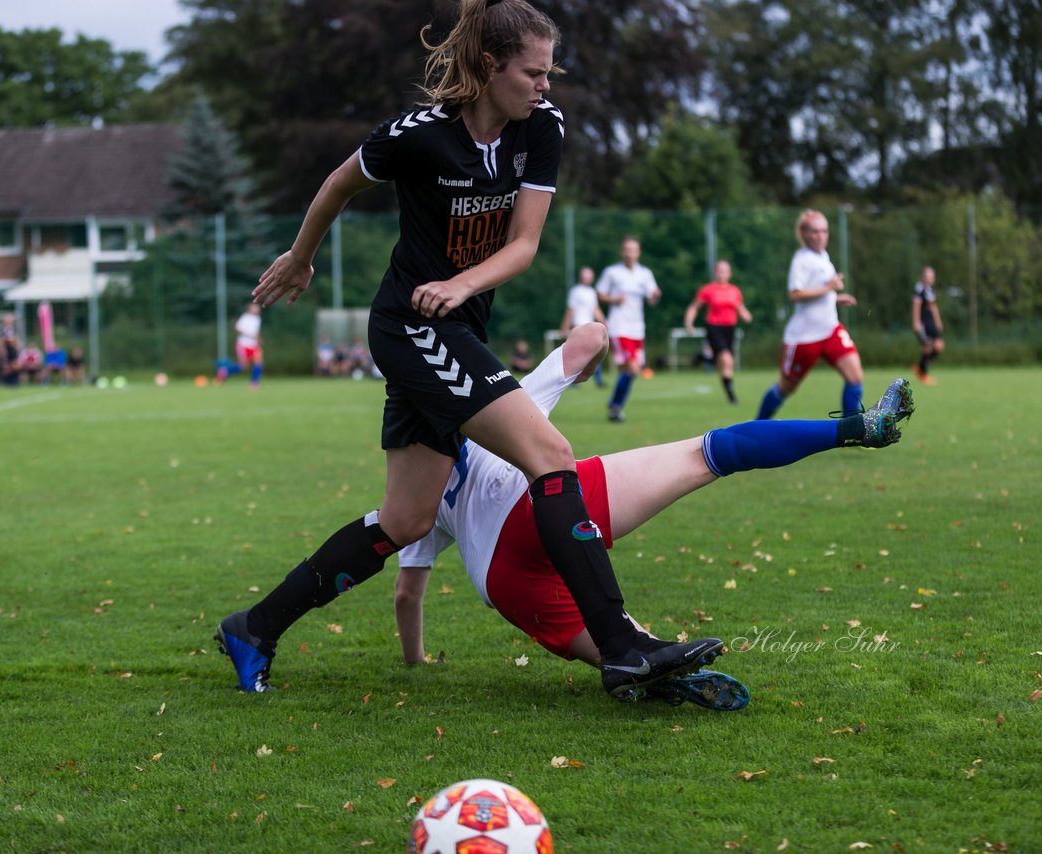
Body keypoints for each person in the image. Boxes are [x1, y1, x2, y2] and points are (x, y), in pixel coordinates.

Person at [216, 0, 718, 699]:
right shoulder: (418, 136)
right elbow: (337, 183)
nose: (545, 86)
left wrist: (459, 286)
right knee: (551, 455)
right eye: (532, 72)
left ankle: (254, 626)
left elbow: (524, 247)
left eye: (550, 72)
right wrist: (302, 258)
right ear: (489, 66)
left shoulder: (542, 128)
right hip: (408, 328)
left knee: (407, 520)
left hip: (452, 325)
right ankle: (621, 644)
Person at [394, 322, 915, 708]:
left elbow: (407, 594)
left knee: (624, 651)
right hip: (530, 503)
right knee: (712, 452)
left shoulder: (415, 485)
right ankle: (858, 428)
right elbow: (591, 336)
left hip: (502, 580)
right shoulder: (497, 399)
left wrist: (415, 659)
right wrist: (586, 366)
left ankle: (659, 678)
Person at [756, 210, 862, 421]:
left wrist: (835, 297)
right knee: (786, 388)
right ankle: (756, 426)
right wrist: (830, 287)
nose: (820, 235)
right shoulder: (802, 260)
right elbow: (796, 294)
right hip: (805, 337)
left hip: (830, 329)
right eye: (815, 231)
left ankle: (853, 431)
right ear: (804, 234)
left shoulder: (823, 257)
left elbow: (820, 292)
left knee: (855, 377)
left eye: (824, 231)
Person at [596, 236, 660, 421]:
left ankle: (614, 403)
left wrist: (655, 295)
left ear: (638, 252)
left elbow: (651, 299)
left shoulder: (645, 273)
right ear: (622, 252)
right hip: (619, 326)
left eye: (633, 250)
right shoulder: (612, 272)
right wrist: (614, 299)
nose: (630, 253)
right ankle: (615, 407)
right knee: (632, 368)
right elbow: (600, 294)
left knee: (634, 370)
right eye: (627, 249)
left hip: (637, 328)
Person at [684, 259, 753, 404]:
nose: (722, 274)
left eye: (725, 271)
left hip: (730, 329)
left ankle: (704, 358)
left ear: (730, 273)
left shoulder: (735, 291)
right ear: (715, 273)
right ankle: (732, 397)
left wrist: (746, 315)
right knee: (726, 359)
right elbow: (694, 307)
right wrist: (689, 322)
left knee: (726, 363)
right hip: (714, 327)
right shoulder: (708, 290)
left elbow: (739, 307)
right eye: (719, 271)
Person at [560, 265, 606, 386]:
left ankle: (598, 379)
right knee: (578, 356)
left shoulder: (591, 292)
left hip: (590, 326)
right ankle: (572, 381)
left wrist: (603, 321)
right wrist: (564, 327)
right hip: (579, 326)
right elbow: (570, 310)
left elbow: (595, 309)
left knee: (596, 352)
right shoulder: (575, 291)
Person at [219, 303, 265, 389]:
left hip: (253, 345)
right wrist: (249, 335)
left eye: (257, 308)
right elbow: (237, 328)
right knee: (243, 367)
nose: (256, 309)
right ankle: (225, 371)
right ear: (250, 308)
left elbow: (255, 332)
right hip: (243, 344)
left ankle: (254, 383)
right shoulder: (245, 317)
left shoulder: (258, 319)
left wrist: (259, 339)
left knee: (258, 362)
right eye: (254, 308)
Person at [911, 266, 943, 385]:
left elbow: (933, 307)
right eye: (928, 276)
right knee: (928, 347)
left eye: (932, 277)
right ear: (923, 277)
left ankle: (920, 367)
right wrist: (916, 323)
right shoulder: (919, 290)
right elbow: (916, 307)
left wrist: (938, 321)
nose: (930, 279)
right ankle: (923, 374)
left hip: (931, 323)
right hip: (923, 324)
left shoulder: (930, 290)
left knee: (939, 346)